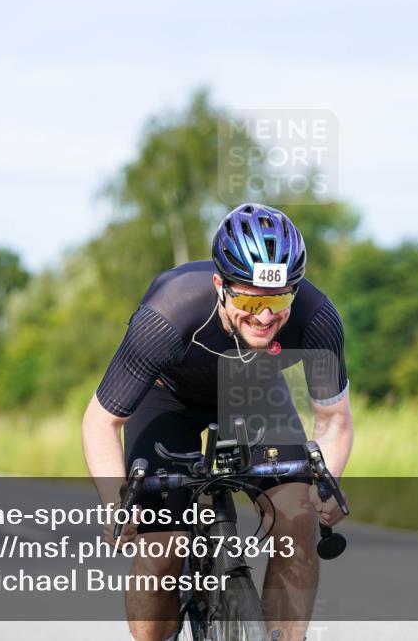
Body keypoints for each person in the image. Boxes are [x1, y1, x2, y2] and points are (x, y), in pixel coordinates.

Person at [83, 203, 353, 641]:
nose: (265, 317)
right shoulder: (168, 314)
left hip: (254, 391)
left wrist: (325, 487)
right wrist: (116, 501)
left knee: (298, 520)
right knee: (162, 548)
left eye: (279, 300)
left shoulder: (318, 318)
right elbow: (101, 421)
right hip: (166, 399)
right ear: (219, 285)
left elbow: (334, 418)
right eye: (248, 300)